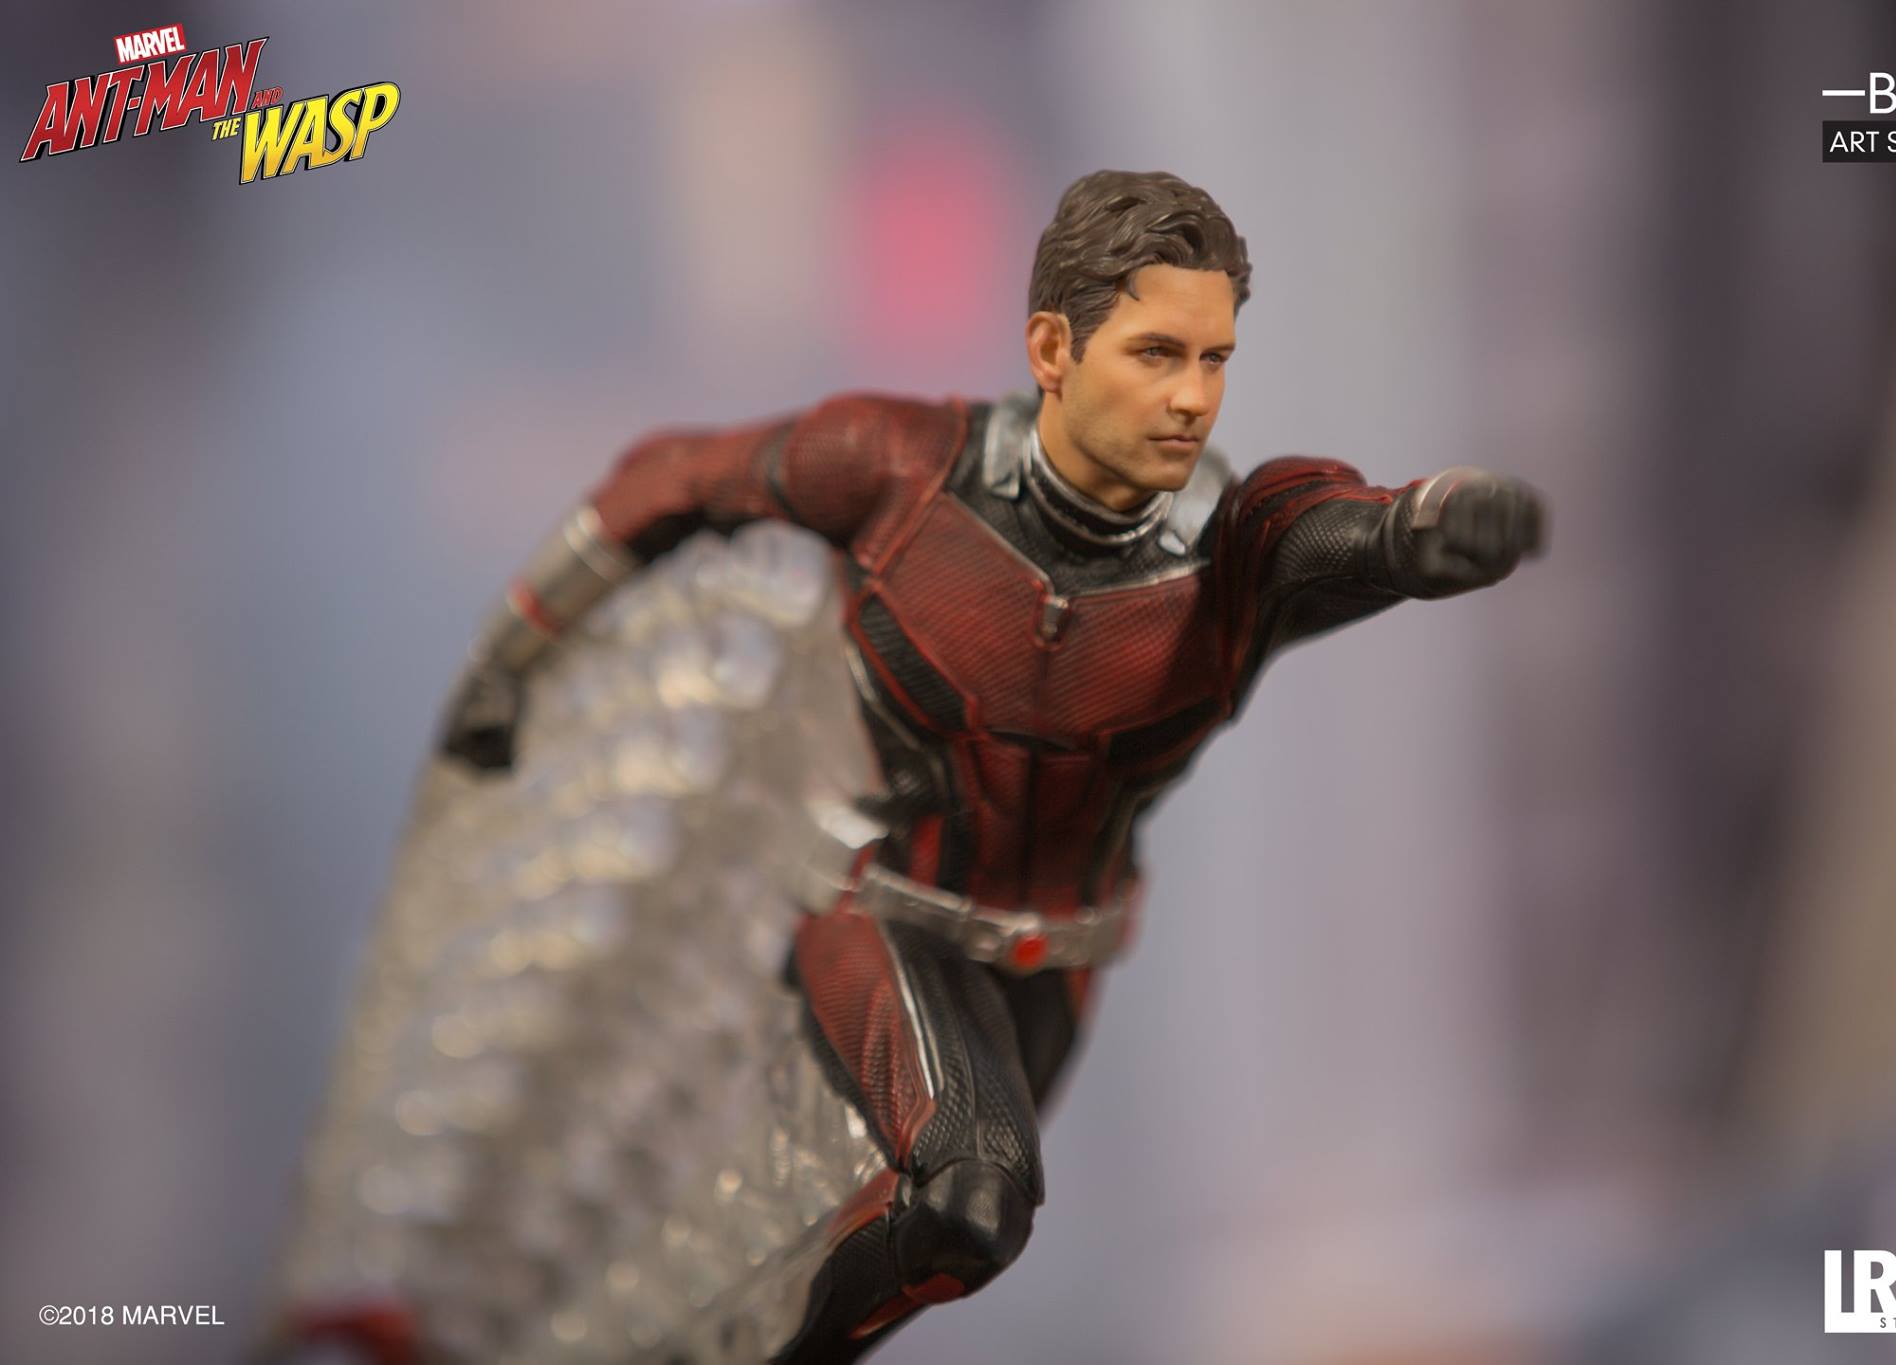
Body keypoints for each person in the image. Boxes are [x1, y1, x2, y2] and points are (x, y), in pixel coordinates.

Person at [438, 168, 1548, 1362]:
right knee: (968, 1194)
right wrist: (508, 662)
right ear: (1053, 348)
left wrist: (1432, 526)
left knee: (952, 1248)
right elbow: (672, 482)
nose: (1190, 398)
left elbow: (1342, 528)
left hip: (1059, 962)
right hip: (880, 910)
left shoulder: (1231, 554)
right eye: (1154, 354)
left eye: (1212, 361)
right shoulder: (897, 469)